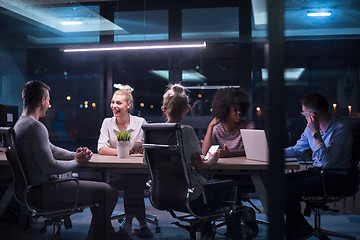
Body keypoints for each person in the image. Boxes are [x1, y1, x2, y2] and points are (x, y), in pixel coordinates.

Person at [14, 80, 129, 240]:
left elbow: (52, 149)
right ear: (42, 100)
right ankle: (100, 236)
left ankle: (104, 233)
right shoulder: (35, 127)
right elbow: (51, 166)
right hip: (46, 192)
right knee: (109, 192)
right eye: (48, 100)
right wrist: (77, 163)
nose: (49, 104)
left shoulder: (20, 125)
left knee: (98, 184)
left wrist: (75, 154)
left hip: (35, 191)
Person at [160, 84, 244, 237]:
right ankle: (234, 228)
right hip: (191, 196)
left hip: (162, 195)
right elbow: (201, 168)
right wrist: (213, 159)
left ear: (164, 109)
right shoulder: (187, 131)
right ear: (187, 108)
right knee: (227, 186)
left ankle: (204, 229)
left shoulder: (153, 132)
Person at [284, 93, 353, 240]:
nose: (302, 115)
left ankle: (294, 230)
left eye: (303, 112)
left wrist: (316, 133)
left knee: (290, 189)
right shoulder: (309, 129)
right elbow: (297, 149)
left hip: (335, 177)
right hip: (317, 173)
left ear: (312, 115)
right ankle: (299, 226)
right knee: (279, 181)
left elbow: (327, 162)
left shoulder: (340, 129)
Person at [97, 87, 153, 238]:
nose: (114, 106)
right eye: (113, 102)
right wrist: (122, 152)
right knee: (133, 183)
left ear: (128, 105)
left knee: (133, 180)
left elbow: (149, 146)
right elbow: (101, 148)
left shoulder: (140, 122)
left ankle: (129, 225)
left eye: (118, 103)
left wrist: (142, 149)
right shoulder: (107, 123)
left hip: (138, 170)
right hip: (117, 171)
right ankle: (141, 224)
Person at [202, 88, 255, 158]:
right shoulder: (217, 129)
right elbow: (205, 151)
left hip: (244, 166)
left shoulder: (248, 126)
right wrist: (210, 126)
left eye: (240, 109)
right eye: (235, 110)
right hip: (225, 166)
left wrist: (229, 153)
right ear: (226, 111)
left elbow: (251, 150)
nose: (239, 112)